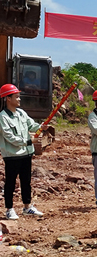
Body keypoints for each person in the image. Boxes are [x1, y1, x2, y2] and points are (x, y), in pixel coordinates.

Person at [0, 84, 48, 219]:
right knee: (10, 182)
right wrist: (27, 142)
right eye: (16, 96)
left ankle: (27, 207)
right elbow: (9, 137)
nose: (19, 99)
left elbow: (31, 124)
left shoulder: (21, 113)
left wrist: (41, 126)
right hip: (12, 155)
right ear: (8, 99)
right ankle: (9, 209)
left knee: (26, 181)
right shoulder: (3, 117)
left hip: (26, 153)